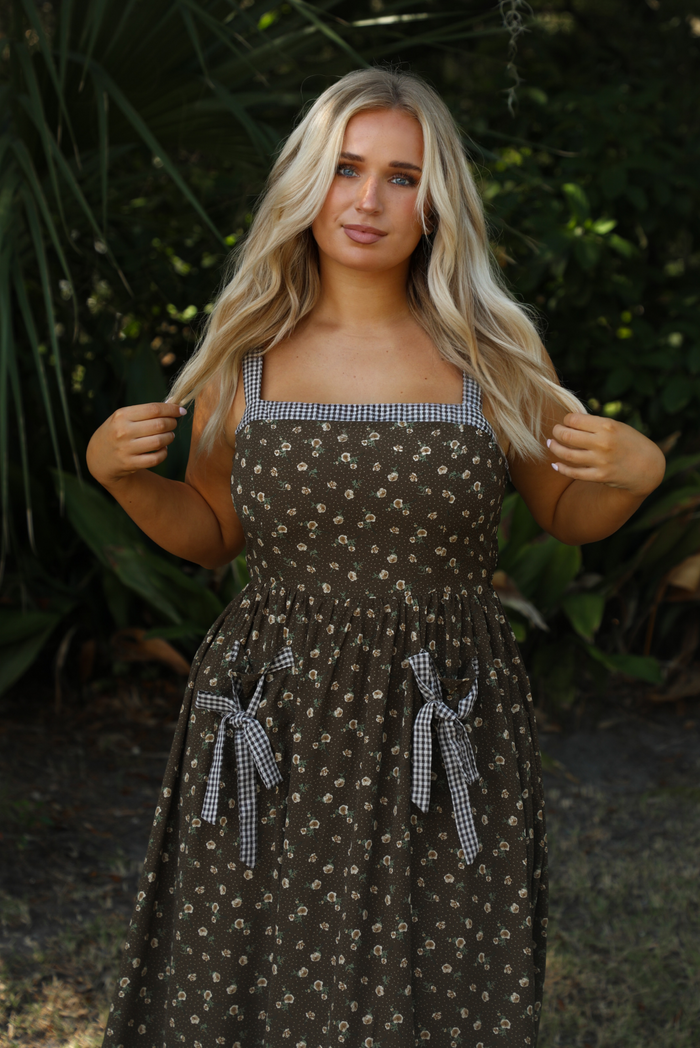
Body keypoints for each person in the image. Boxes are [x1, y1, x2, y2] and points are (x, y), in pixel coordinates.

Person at [88, 68, 665, 1048]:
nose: (368, 199)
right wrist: (129, 483)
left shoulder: (493, 353)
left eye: (403, 176)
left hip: (440, 712)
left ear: (437, 201)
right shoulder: (248, 355)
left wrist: (633, 474)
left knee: (435, 959)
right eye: (347, 168)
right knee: (258, 953)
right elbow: (215, 530)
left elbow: (566, 513)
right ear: (305, 181)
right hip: (274, 703)